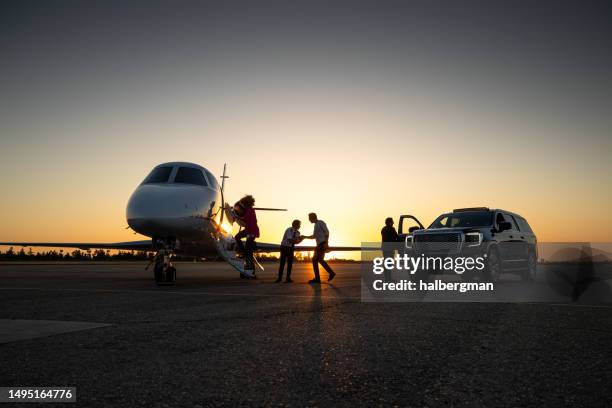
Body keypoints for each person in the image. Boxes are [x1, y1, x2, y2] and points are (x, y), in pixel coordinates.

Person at [303, 212, 335, 283]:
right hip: (319, 245)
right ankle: (330, 273)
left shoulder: (321, 223)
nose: (309, 220)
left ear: (313, 218)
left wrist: (326, 243)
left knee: (315, 260)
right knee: (319, 260)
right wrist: (305, 237)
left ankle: (318, 278)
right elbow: (314, 236)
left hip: (322, 244)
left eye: (309, 218)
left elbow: (327, 232)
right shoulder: (316, 225)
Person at [234, 195, 260, 273]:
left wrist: (235, 216)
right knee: (237, 237)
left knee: (249, 252)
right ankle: (244, 252)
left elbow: (245, 219)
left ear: (246, 203)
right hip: (249, 230)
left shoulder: (249, 210)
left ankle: (251, 271)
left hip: (251, 232)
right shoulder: (251, 210)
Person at [381, 217, 399, 281]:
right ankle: (389, 278)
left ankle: (387, 278)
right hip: (390, 248)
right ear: (390, 222)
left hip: (385, 248)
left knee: (386, 263)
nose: (393, 223)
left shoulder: (383, 229)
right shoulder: (392, 229)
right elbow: (396, 237)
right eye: (392, 221)